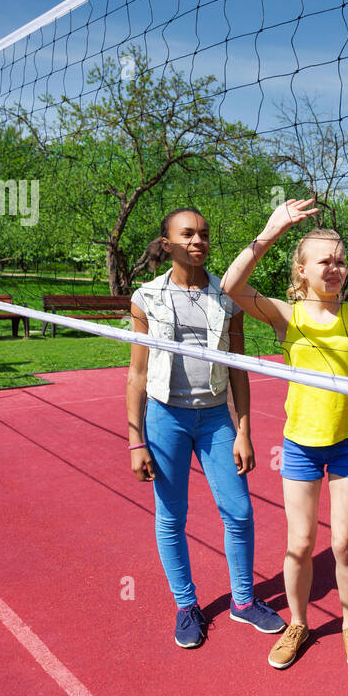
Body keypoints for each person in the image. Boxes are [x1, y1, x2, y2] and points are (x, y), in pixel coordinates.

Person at [220, 197, 348, 671]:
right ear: (302, 271)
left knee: (345, 543)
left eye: (340, 260)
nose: (335, 267)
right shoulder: (287, 315)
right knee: (301, 543)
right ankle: (299, 623)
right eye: (324, 260)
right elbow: (231, 286)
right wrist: (270, 231)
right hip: (301, 443)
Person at [126, 207, 286, 649]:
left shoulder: (226, 297)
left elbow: (238, 369)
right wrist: (135, 440)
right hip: (165, 417)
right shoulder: (146, 299)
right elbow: (137, 374)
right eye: (188, 234)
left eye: (204, 235)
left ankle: (243, 601)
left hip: (216, 417)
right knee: (171, 516)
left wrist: (244, 430)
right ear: (167, 243)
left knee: (238, 511)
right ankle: (186, 605)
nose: (198, 241)